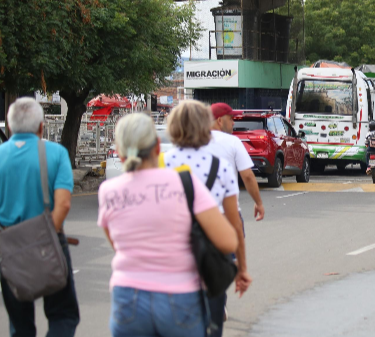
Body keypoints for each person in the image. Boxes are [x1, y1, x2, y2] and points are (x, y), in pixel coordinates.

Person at [98, 113, 238, 337]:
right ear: (156, 148)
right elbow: (228, 241)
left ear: (120, 153)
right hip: (180, 298)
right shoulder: (185, 182)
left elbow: (117, 244)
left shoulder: (108, 191)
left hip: (127, 297)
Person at [0, 98, 79, 337]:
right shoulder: (56, 153)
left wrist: (3, 240)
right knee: (63, 315)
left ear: (9, 129)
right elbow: (63, 203)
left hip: (12, 249)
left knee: (20, 323)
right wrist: (45, 237)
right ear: (41, 127)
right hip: (51, 244)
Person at [162, 101, 251, 337]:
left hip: (172, 255)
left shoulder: (161, 164)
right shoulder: (220, 167)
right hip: (212, 256)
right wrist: (241, 268)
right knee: (211, 327)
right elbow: (234, 223)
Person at [209, 103, 265, 221]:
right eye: (231, 119)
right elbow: (248, 176)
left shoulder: (196, 141)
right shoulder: (233, 141)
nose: (233, 123)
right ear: (220, 121)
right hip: (228, 212)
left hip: (201, 213)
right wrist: (258, 202)